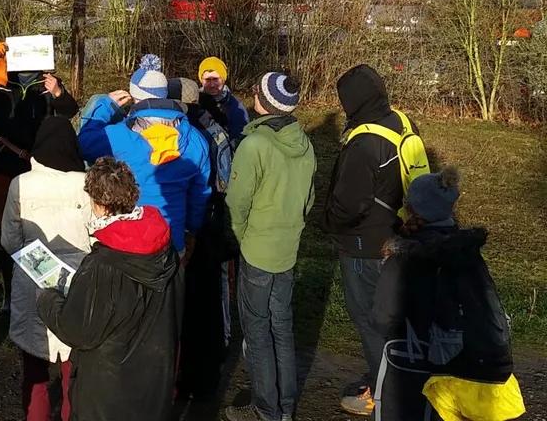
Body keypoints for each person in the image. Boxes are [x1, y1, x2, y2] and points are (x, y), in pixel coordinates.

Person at [372, 168, 525, 421]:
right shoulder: (467, 252)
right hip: (466, 368)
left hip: (416, 370)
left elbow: (382, 318)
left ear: (412, 209)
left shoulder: (404, 258)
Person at [37, 157, 179, 421]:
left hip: (107, 389)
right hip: (153, 378)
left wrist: (47, 300)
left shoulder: (102, 265)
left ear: (99, 204)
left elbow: (77, 330)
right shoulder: (163, 246)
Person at [322, 64, 425, 417]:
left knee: (369, 320)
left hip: (364, 245)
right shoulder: (399, 121)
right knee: (392, 318)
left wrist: (329, 222)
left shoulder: (365, 143)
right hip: (397, 234)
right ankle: (393, 379)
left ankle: (383, 393)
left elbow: (348, 205)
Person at [223, 73, 317, 421]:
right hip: (287, 248)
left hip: (257, 252)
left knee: (258, 331)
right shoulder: (303, 143)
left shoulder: (255, 145)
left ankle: (266, 408)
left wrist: (240, 238)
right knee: (282, 326)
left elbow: (237, 204)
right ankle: (286, 406)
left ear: (263, 102)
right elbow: (309, 200)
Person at [0, 40, 77, 309]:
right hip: (5, 163)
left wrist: (58, 92)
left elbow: (70, 111)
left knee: (38, 226)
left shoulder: (47, 84)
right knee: (6, 226)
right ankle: (8, 289)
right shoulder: (1, 82)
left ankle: (39, 289)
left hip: (39, 164)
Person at [0, 117, 92, 421]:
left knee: (35, 371)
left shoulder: (21, 184)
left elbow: (9, 240)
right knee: (73, 371)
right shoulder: (86, 184)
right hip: (77, 282)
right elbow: (96, 235)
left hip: (32, 280)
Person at [78, 66, 211, 257]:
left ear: (134, 96)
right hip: (173, 239)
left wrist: (105, 105)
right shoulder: (195, 139)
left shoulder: (119, 137)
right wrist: (191, 230)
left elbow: (84, 142)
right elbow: (200, 194)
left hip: (130, 242)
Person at [168, 75, 235, 400]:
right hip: (211, 225)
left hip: (187, 224)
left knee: (180, 303)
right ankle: (210, 366)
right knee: (208, 300)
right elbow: (225, 182)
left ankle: (180, 376)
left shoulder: (176, 135)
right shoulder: (218, 132)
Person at [197, 56, 249, 140]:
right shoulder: (193, 103)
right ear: (201, 80)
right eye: (207, 80)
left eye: (216, 79)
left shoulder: (236, 107)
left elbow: (240, 139)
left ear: (223, 79)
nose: (212, 85)